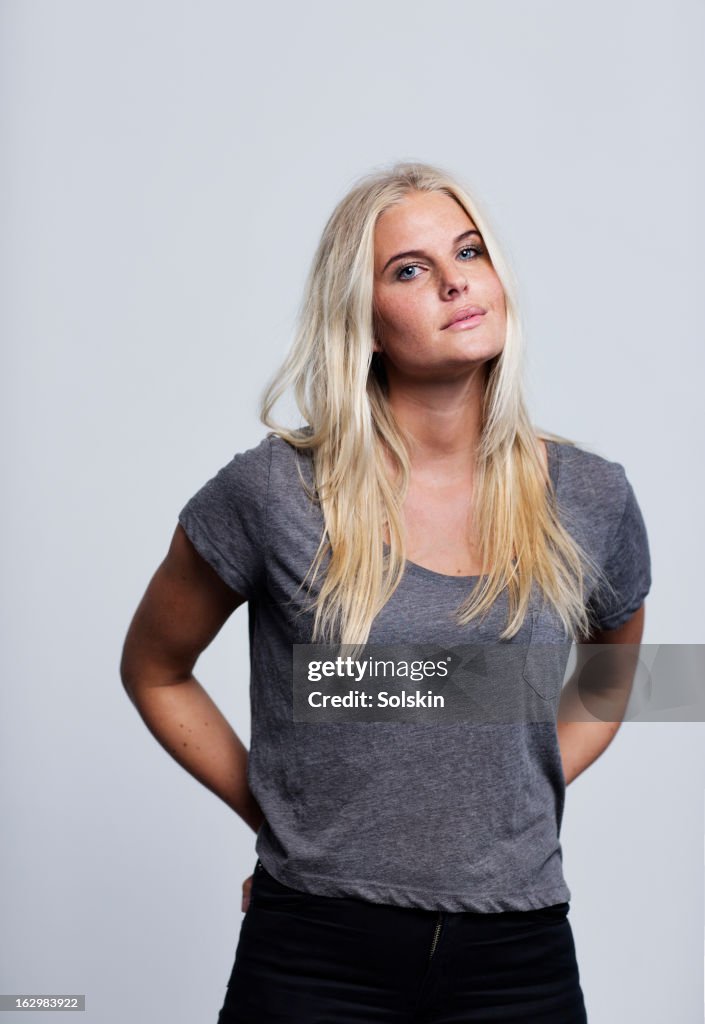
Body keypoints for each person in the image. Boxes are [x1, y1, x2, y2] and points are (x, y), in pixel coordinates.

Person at [120, 160, 651, 1023]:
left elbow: (624, 677)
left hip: (516, 953)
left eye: (468, 252)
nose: (454, 282)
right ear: (360, 319)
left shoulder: (589, 494)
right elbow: (153, 667)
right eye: (410, 269)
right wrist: (280, 810)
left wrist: (520, 783)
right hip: (314, 954)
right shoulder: (271, 494)